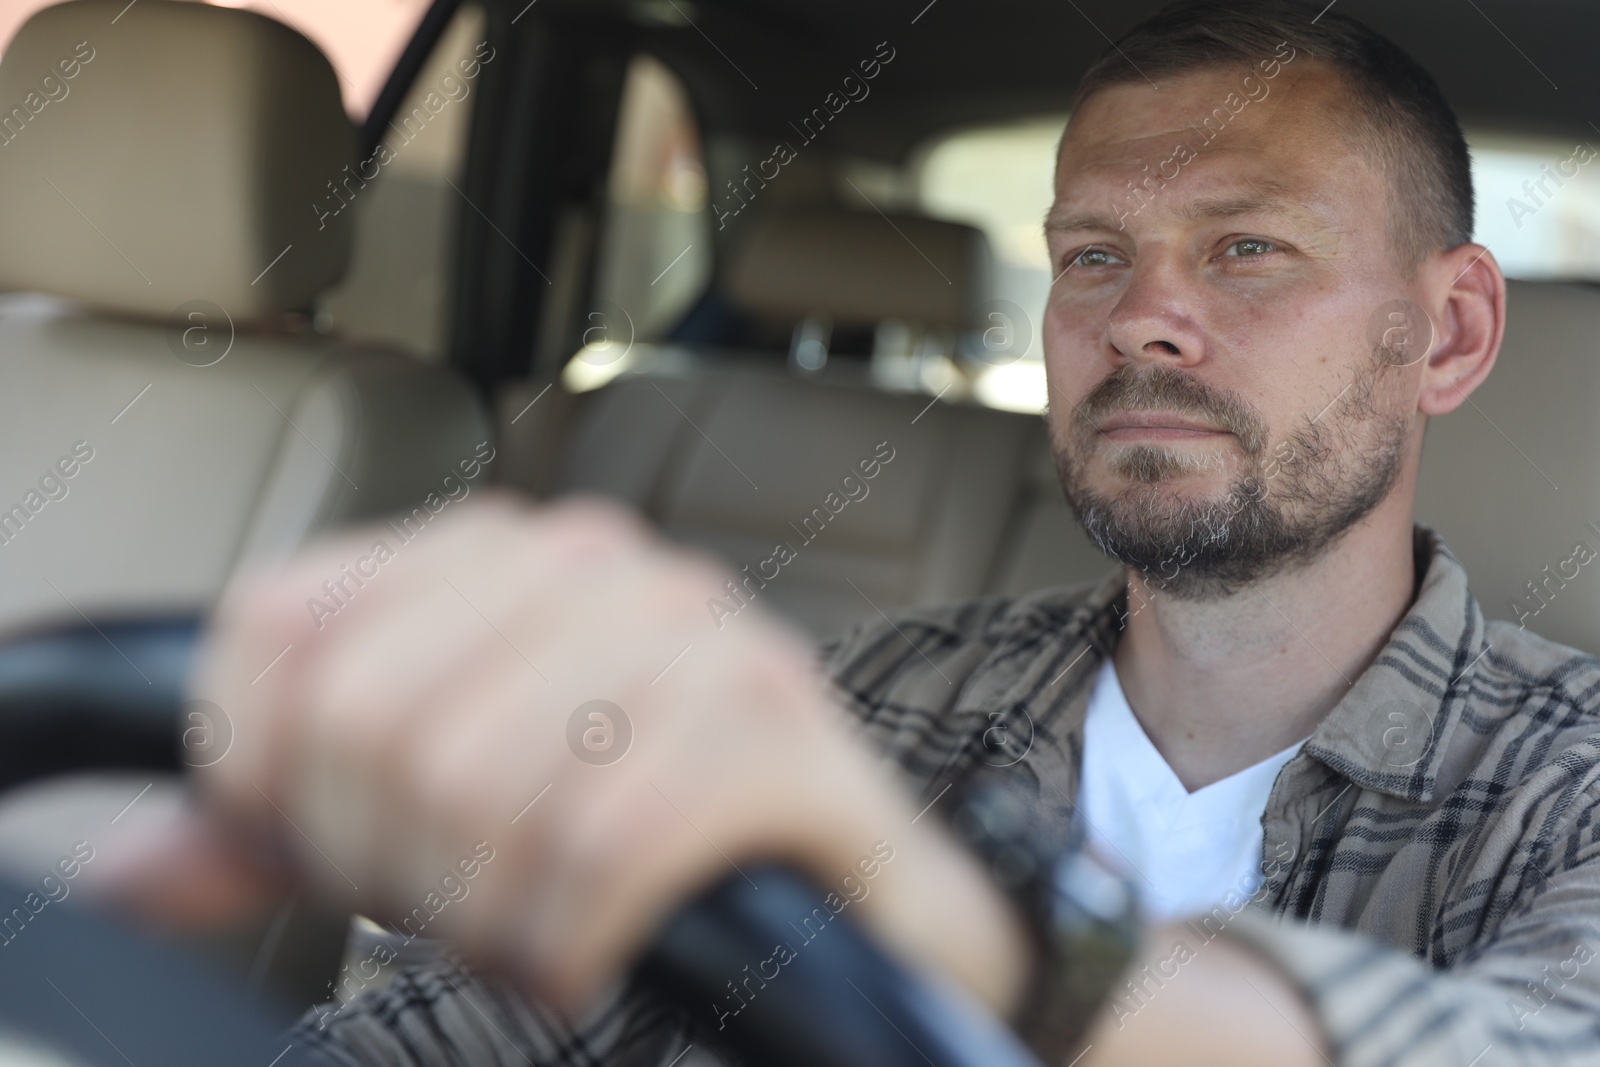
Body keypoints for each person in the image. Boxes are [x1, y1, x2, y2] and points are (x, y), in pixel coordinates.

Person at [102, 1, 1600, 1064]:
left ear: (1450, 333)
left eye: (1248, 248)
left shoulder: (1567, 791)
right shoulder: (853, 709)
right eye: (1092, 256)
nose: (1141, 315)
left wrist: (961, 935)